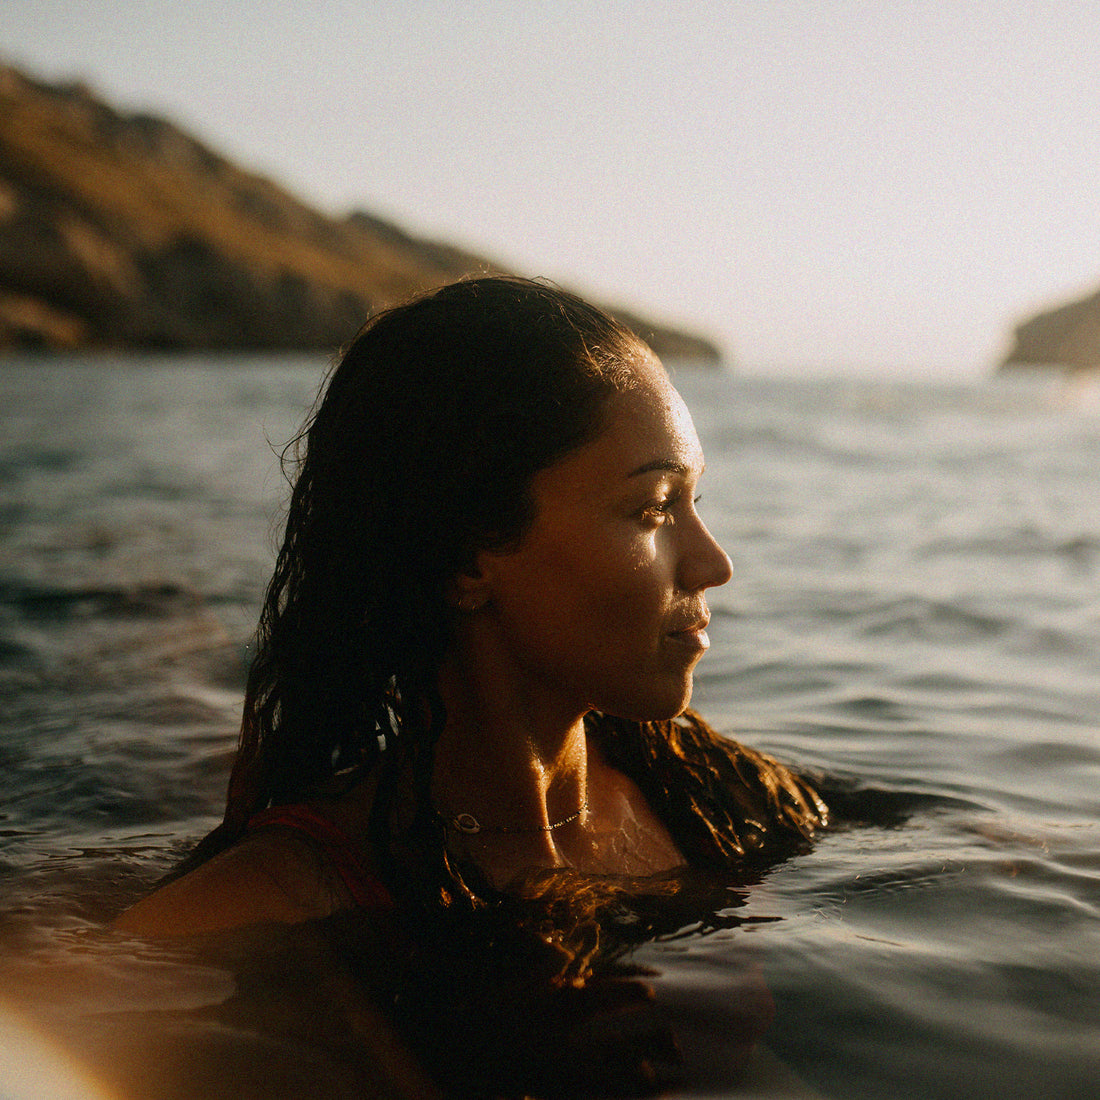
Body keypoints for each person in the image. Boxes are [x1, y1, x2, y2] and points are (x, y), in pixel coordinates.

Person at [114, 276, 827, 1094]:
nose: (714, 564)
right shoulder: (279, 898)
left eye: (695, 501)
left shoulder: (709, 794)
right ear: (467, 559)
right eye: (653, 509)